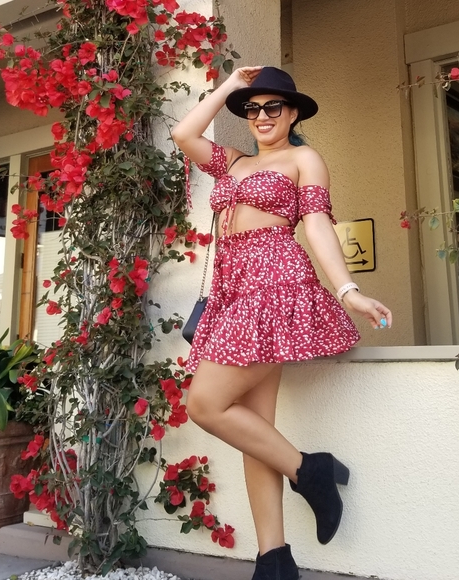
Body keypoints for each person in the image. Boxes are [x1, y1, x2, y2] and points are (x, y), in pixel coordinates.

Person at [172, 66, 392, 580]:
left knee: (204, 404)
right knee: (256, 430)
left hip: (276, 286)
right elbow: (184, 134)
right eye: (253, 109)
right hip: (233, 293)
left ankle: (309, 470)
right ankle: (274, 561)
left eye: (273, 106)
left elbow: (317, 225)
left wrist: (348, 290)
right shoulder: (232, 162)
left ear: (293, 114)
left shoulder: (303, 158)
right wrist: (230, 86)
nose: (262, 116)